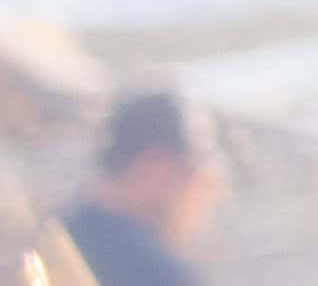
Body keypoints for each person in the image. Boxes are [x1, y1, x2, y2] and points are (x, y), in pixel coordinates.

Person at [48, 92, 225, 286]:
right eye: (192, 173)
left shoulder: (51, 242)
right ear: (153, 166)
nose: (210, 192)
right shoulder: (155, 272)